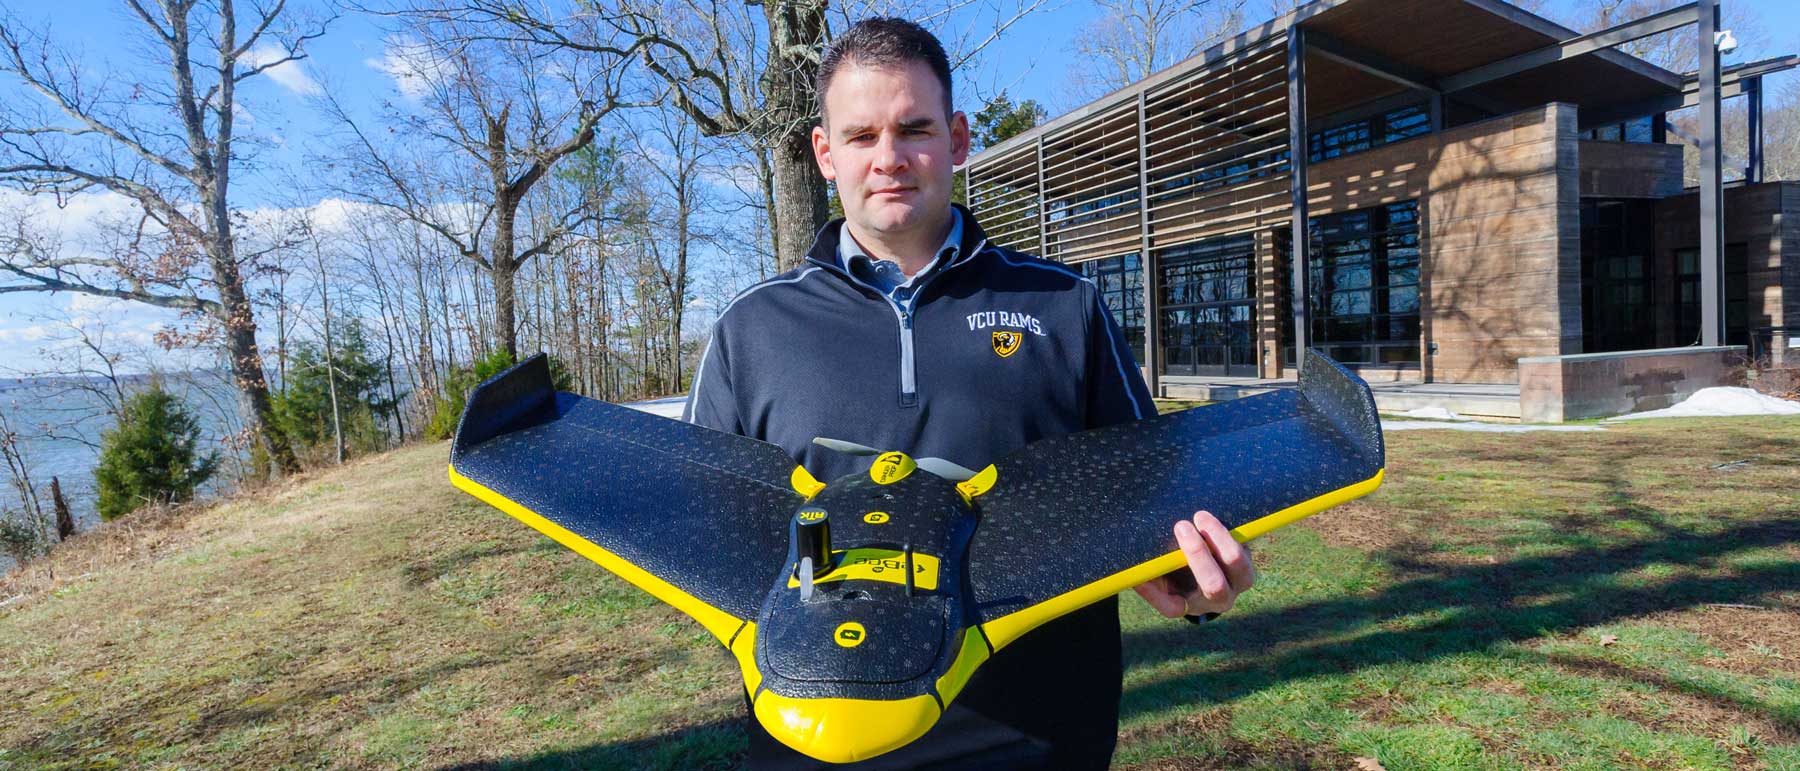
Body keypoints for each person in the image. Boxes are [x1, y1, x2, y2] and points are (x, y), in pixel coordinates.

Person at [683, 17, 1255, 769]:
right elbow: (701, 532)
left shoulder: (1065, 305)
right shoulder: (749, 328)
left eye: (913, 128)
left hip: (1039, 735)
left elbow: (1150, 491)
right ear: (825, 153)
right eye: (860, 136)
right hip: (816, 744)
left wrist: (1197, 583)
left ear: (956, 137)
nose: (889, 159)